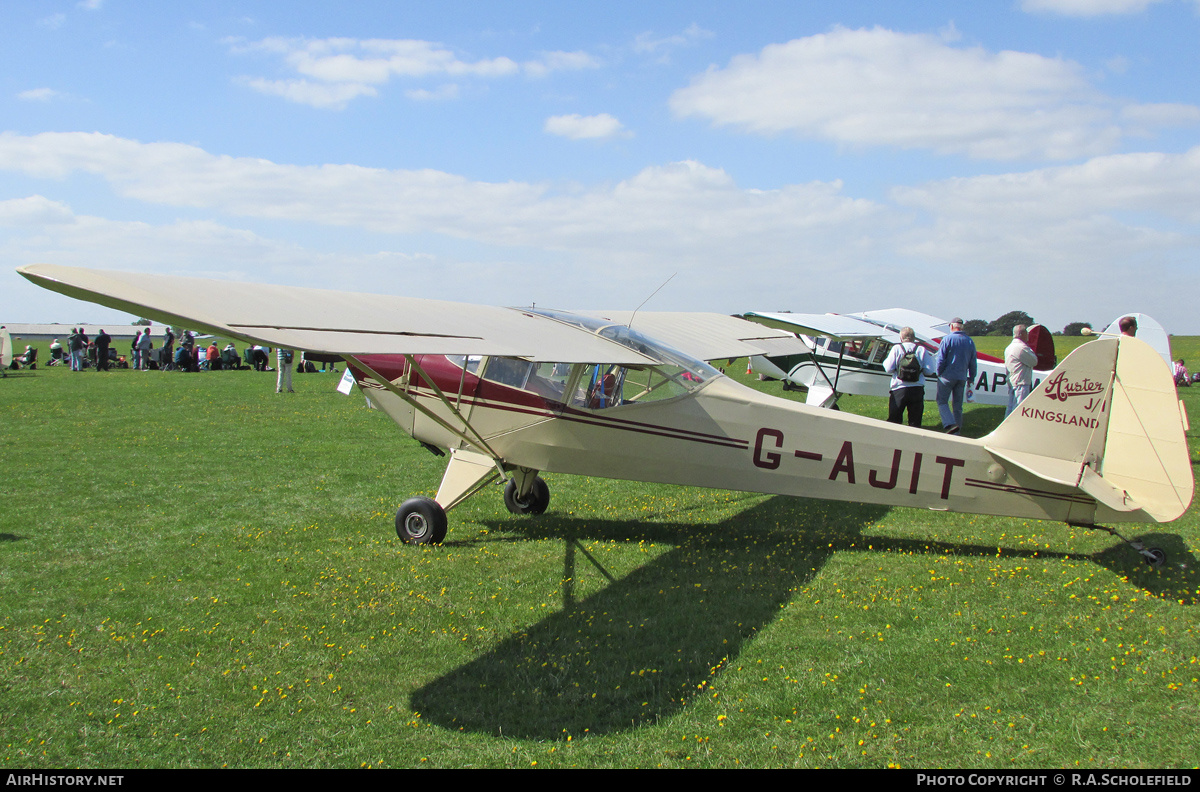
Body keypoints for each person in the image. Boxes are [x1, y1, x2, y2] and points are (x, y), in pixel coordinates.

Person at [882, 327, 935, 427]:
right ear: (914, 338)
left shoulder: (897, 348)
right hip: (917, 389)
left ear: (901, 337)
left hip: (899, 389)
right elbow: (929, 371)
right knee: (915, 422)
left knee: (894, 421)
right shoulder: (921, 349)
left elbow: (888, 368)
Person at [936, 317, 977, 435]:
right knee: (958, 406)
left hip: (947, 376)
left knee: (942, 401)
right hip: (962, 377)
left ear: (952, 326)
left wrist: (939, 372)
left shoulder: (947, 339)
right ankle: (957, 433)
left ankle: (950, 424)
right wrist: (972, 377)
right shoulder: (969, 341)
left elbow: (941, 359)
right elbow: (973, 362)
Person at [1004, 325, 1038, 416]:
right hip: (1021, 382)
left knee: (1010, 407)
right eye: (1026, 333)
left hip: (1012, 381)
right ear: (1021, 334)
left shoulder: (1009, 347)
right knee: (1018, 409)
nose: (1027, 336)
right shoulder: (1022, 347)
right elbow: (1034, 361)